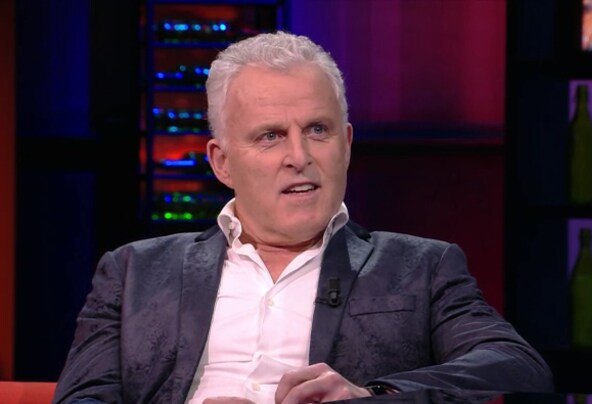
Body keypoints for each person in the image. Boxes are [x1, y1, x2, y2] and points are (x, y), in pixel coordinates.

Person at [52, 31, 553, 404]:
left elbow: (517, 368)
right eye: (270, 136)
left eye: (317, 130)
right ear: (221, 162)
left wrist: (370, 397)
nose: (299, 156)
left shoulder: (420, 267)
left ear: (346, 144)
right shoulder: (134, 272)